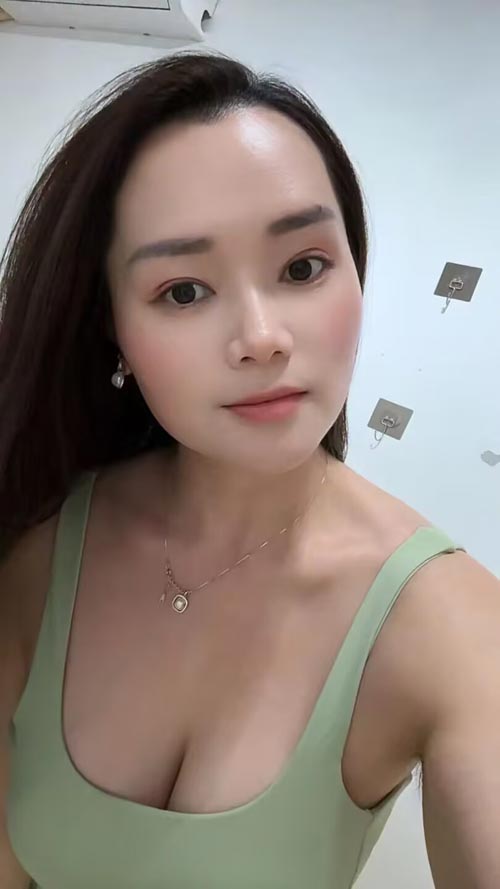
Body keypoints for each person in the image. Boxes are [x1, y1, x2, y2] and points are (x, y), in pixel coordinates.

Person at [0, 51, 499, 889]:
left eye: (303, 268)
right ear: (111, 326)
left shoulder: (451, 629)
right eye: (183, 291)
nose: (262, 337)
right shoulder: (39, 545)